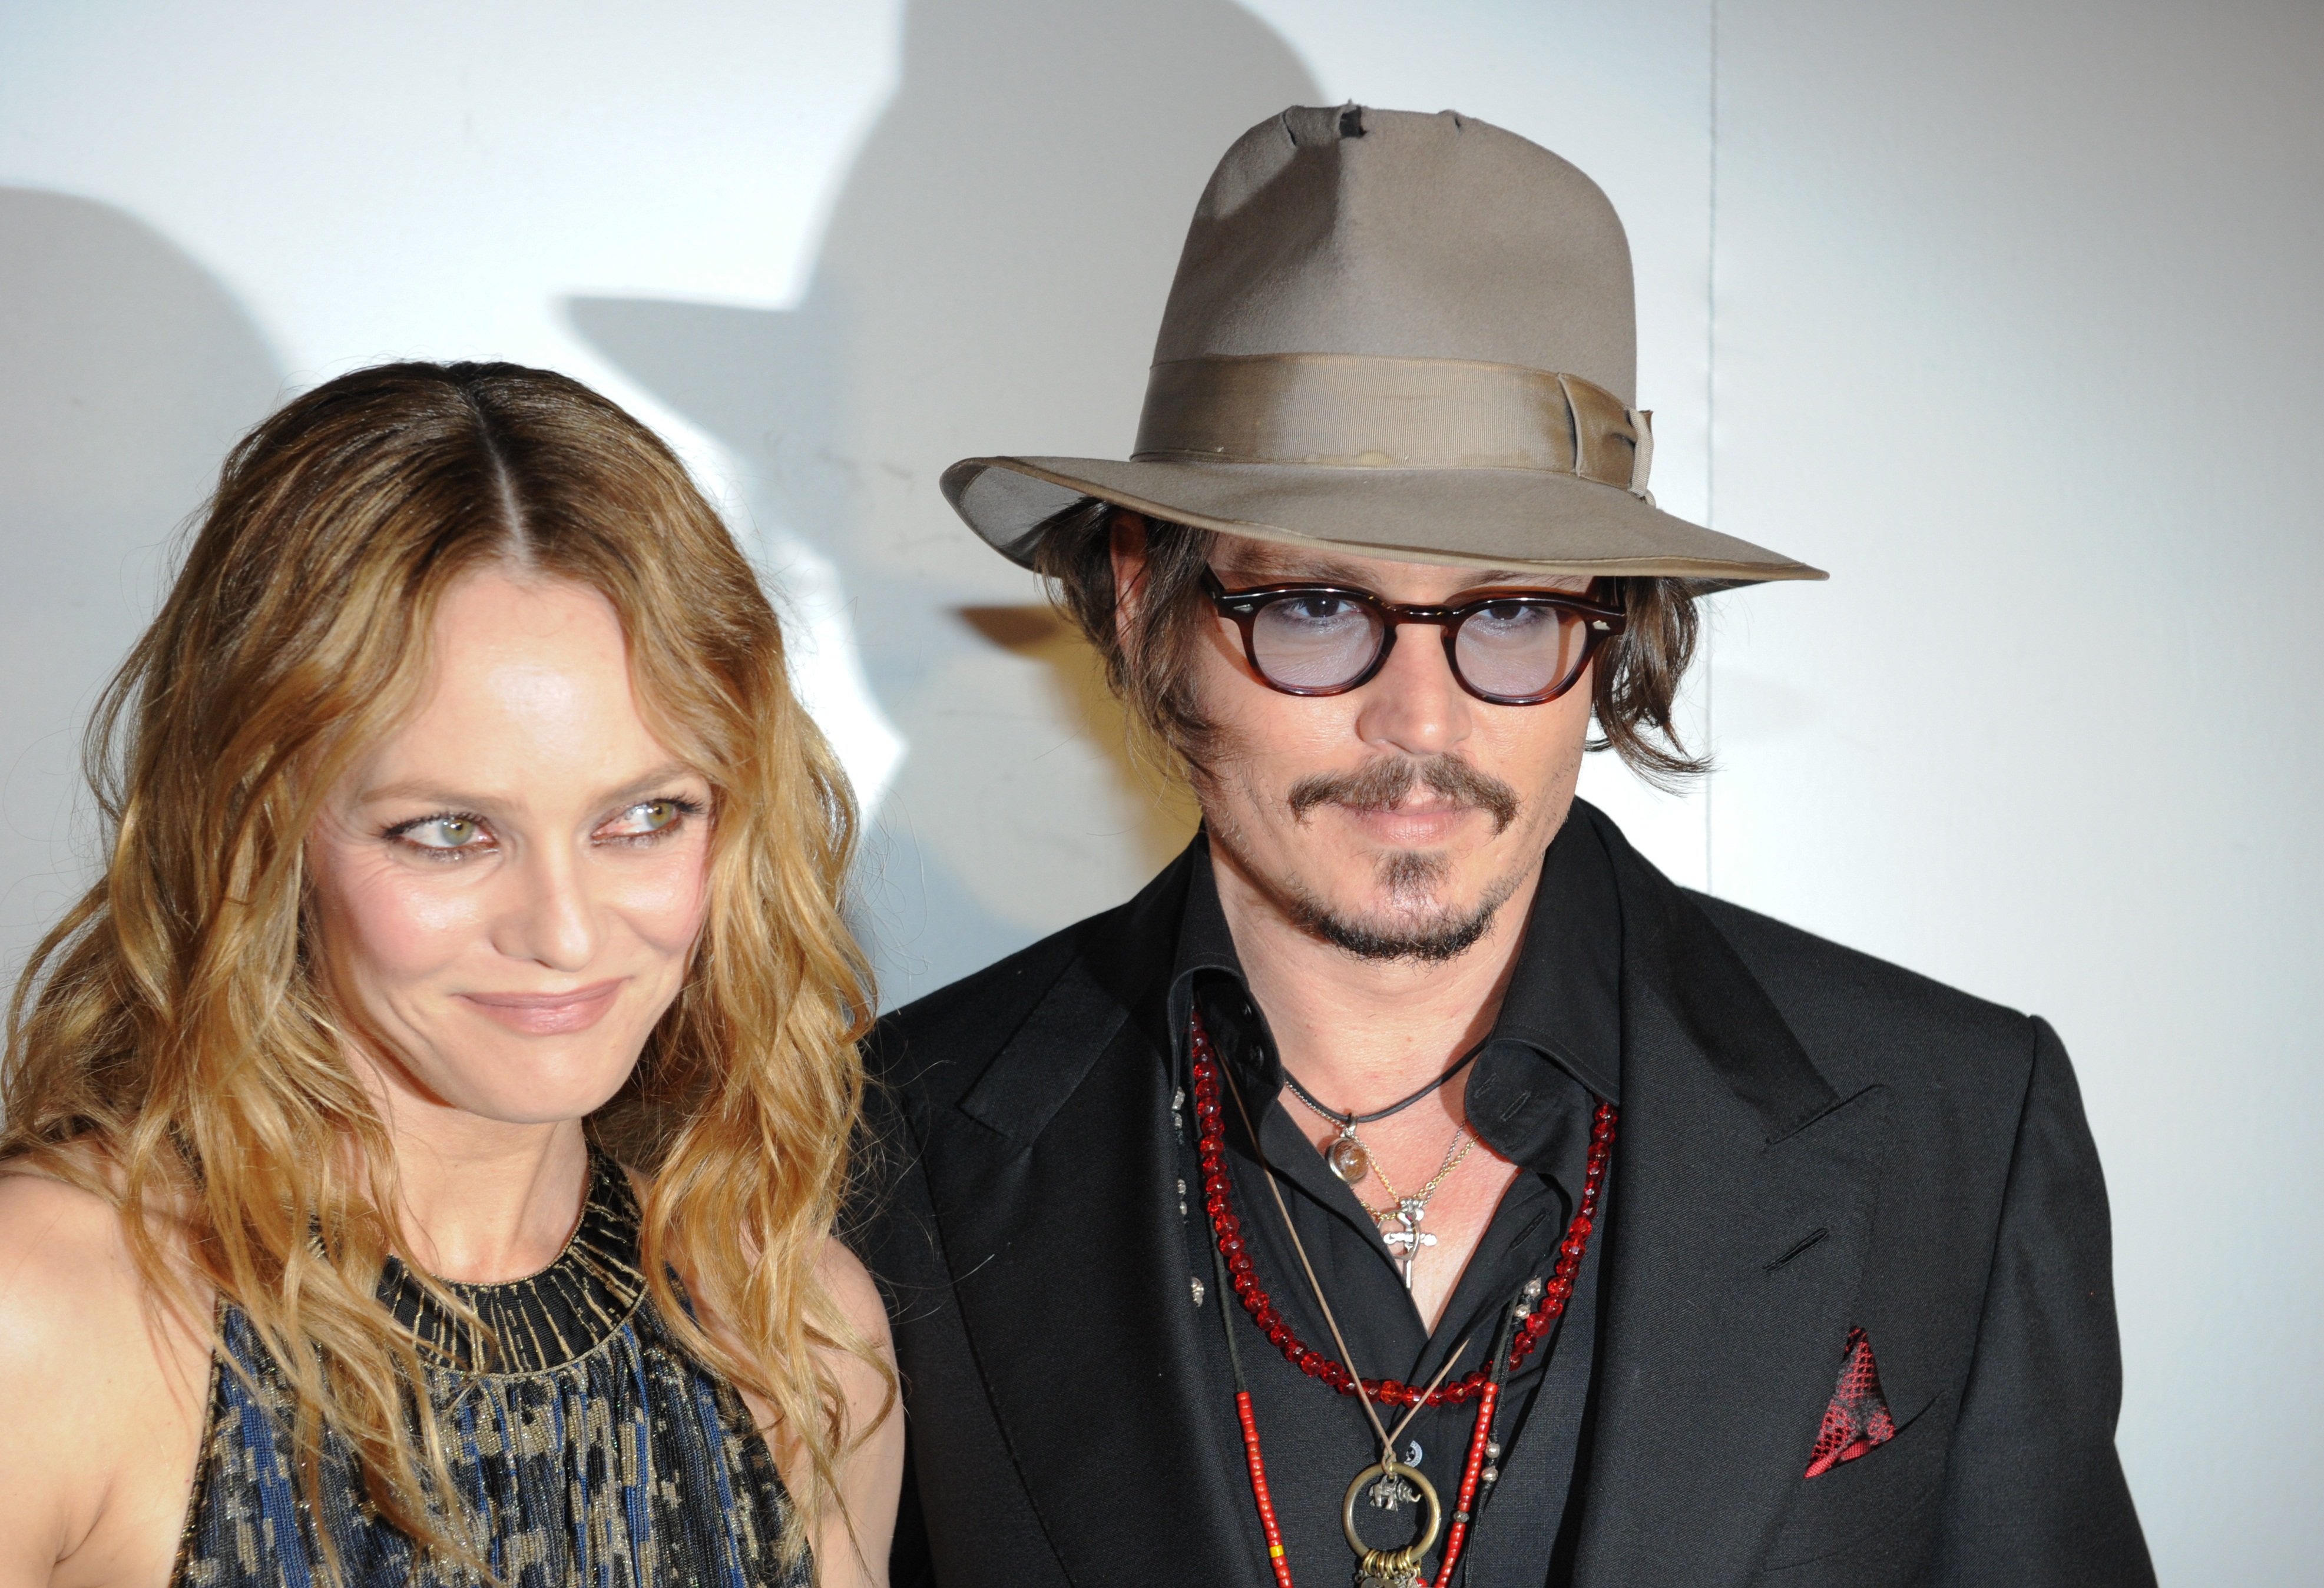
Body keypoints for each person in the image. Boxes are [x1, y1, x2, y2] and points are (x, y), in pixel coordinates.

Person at [860, 106, 2154, 1586]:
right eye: (1313, 607)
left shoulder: (1952, 1128)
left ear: (1608, 629)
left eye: (1507, 612)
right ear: (1153, 601)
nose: (1418, 720)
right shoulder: (887, 1146)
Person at [0, 363, 900, 1588]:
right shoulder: (47, 1312)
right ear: (260, 828)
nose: (567, 932)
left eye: (643, 814)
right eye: (446, 829)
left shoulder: (795, 1334)